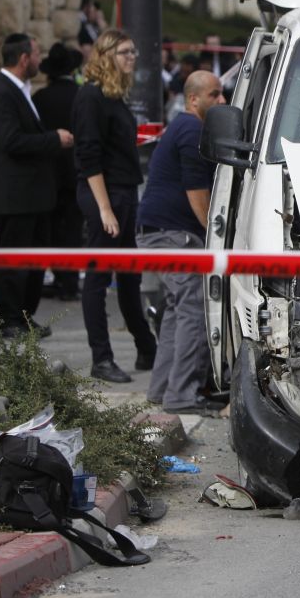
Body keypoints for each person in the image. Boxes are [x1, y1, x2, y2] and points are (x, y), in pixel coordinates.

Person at [73, 28, 159, 383]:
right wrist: (105, 208)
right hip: (104, 194)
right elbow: (88, 156)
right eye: (125, 52)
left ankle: (146, 347)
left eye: (134, 51)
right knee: (98, 278)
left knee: (129, 275)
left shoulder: (113, 96)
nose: (132, 58)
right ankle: (101, 357)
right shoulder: (90, 97)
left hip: (124, 191)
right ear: (107, 55)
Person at [140, 71, 225, 416]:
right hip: (173, 235)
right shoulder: (191, 129)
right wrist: (214, 239)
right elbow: (197, 195)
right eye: (214, 95)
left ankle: (163, 391)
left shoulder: (183, 126)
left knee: (177, 312)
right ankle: (182, 395)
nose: (221, 101)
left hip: (161, 232)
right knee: (193, 310)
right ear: (193, 99)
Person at [0, 33, 74, 337]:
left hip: (32, 197)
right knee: (13, 261)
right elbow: (10, 141)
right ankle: (7, 319)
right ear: (24, 59)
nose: (39, 60)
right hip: (14, 197)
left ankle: (23, 316)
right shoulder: (0, 95)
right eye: (36, 54)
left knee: (33, 261)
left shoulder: (19, 91)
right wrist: (53, 139)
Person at [33, 42, 84, 301]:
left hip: (49, 174)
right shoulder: (81, 95)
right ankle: (71, 282)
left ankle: (55, 275)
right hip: (77, 174)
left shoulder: (40, 99)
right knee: (73, 229)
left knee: (51, 229)